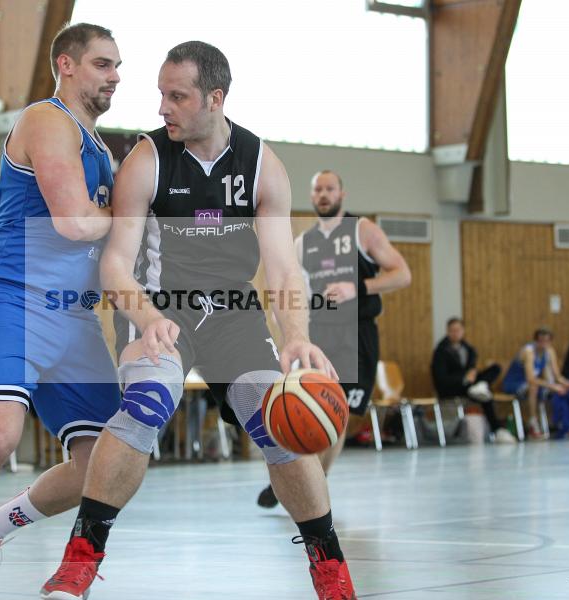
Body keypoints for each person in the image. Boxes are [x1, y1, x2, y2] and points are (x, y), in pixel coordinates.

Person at [41, 41, 356, 600]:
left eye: (177, 96)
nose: (163, 107)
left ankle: (330, 567)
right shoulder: (146, 160)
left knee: (280, 425)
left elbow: (284, 271)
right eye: (161, 94)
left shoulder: (263, 165)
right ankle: (81, 558)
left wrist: (299, 339)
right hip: (162, 309)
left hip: (234, 316)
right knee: (144, 409)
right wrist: (144, 317)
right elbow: (116, 264)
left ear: (215, 98)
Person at [0, 23, 122, 600]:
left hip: (75, 314)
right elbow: (74, 222)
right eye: (103, 64)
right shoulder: (45, 120)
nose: (115, 76)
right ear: (65, 64)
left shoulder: (104, 151)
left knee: (101, 465)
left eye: (117, 67)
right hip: (12, 299)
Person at [257, 169, 410, 508]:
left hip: (356, 334)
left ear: (342, 193)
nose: (323, 195)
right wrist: (284, 325)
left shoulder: (363, 231)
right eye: (317, 190)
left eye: (330, 189)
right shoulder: (302, 242)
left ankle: (309, 481)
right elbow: (289, 290)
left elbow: (402, 273)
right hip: (318, 334)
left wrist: (358, 287)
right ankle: (307, 481)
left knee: (338, 414)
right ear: (312, 197)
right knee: (318, 407)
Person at [431, 318, 515, 443]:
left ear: (463, 331)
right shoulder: (440, 352)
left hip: (470, 386)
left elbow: (472, 368)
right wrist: (464, 378)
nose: (455, 333)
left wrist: (472, 374)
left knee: (494, 369)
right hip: (452, 388)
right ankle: (497, 429)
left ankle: (480, 385)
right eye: (452, 330)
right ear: (448, 332)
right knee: (485, 395)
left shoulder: (468, 349)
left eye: (458, 330)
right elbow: (441, 379)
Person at [501, 328, 569, 439]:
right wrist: (553, 386)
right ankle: (533, 423)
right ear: (536, 341)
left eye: (547, 341)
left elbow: (557, 376)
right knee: (534, 387)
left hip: (530, 384)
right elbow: (531, 379)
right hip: (514, 384)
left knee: (567, 389)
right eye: (541, 341)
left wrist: (567, 383)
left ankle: (566, 425)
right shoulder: (529, 351)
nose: (544, 344)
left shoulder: (549, 351)